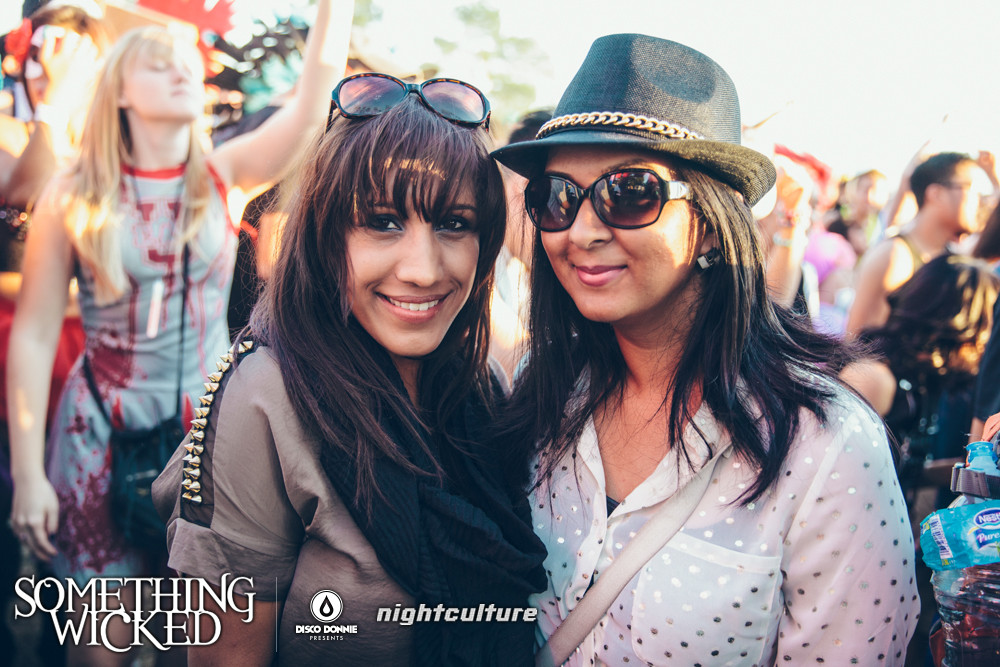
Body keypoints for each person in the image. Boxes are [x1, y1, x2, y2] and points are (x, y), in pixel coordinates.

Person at [492, 34, 920, 665]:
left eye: (629, 192)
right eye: (556, 197)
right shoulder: (542, 388)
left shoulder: (825, 443)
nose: (580, 231)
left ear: (714, 224)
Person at [152, 72, 546, 666]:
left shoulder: (479, 385)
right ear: (325, 233)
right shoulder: (265, 398)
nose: (422, 269)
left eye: (454, 223)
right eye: (383, 221)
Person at [7, 1, 352, 663]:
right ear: (119, 92)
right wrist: (28, 473)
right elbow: (35, 333)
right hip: (97, 439)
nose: (181, 70)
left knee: (193, 646)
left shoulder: (221, 177)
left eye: (186, 61)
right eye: (157, 63)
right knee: (101, 650)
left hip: (208, 445)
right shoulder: (72, 193)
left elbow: (312, 106)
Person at [846, 152, 992, 336]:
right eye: (971, 189)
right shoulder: (894, 257)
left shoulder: (952, 258)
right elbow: (857, 343)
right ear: (936, 194)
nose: (979, 200)